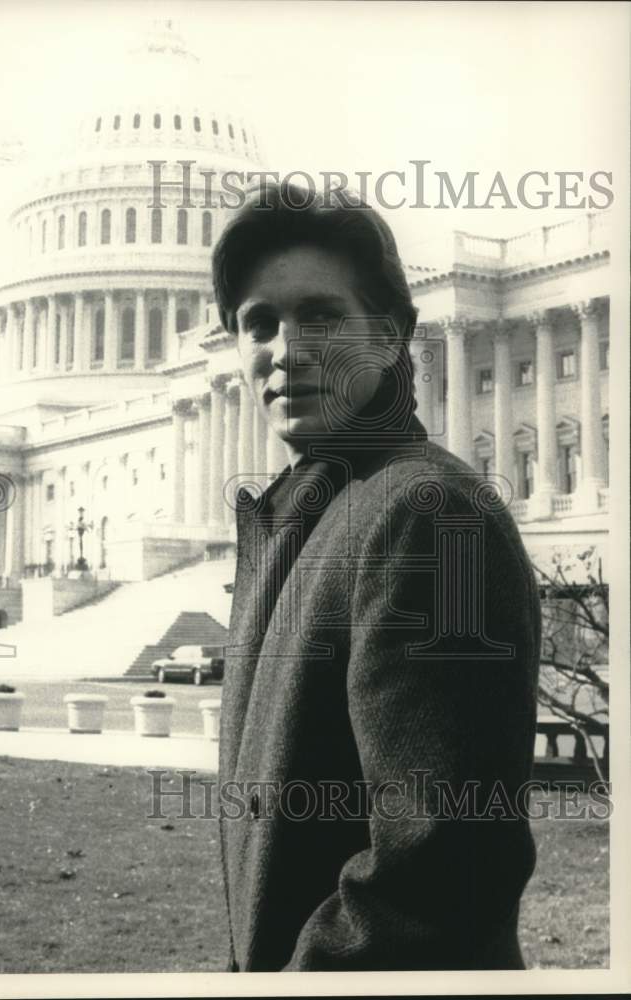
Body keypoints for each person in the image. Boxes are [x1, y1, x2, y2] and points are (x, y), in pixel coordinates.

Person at [210, 180, 542, 972]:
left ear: (390, 338)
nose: (286, 351)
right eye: (259, 323)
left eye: (321, 316)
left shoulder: (434, 517)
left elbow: (441, 871)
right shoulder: (314, 515)